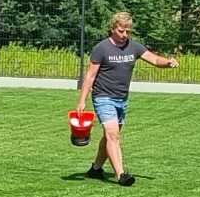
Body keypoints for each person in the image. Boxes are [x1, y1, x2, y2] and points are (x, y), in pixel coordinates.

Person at [76, 11, 177, 185]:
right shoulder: (101, 48)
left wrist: (167, 63)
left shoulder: (134, 47)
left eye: (128, 31)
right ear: (113, 28)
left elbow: (154, 59)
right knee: (113, 135)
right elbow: (90, 76)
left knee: (110, 136)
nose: (124, 35)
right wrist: (82, 100)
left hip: (122, 98)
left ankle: (96, 169)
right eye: (121, 31)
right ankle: (121, 175)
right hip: (103, 96)